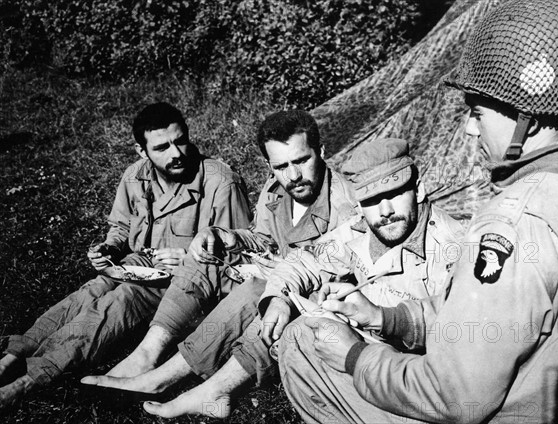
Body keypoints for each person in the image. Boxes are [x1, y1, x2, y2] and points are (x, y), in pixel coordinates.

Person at [277, 0, 558, 422]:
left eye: (478, 112)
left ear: (529, 122)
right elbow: (491, 324)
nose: (469, 128)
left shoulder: (511, 223)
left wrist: (355, 355)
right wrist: (386, 318)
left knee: (304, 338)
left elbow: (453, 397)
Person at [84, 137, 464, 420]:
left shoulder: (453, 248)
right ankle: (181, 380)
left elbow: (460, 337)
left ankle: (190, 384)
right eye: (370, 201)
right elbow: (302, 260)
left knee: (298, 322)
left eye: (395, 194)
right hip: (358, 348)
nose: (384, 212)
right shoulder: (361, 228)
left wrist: (381, 317)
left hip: (405, 373)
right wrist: (280, 297)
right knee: (277, 305)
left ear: (420, 189)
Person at [80, 109, 358, 416]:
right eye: (281, 166)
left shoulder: (343, 203)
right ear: (269, 165)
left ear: (321, 152)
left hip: (311, 303)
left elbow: (338, 281)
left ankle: (177, 383)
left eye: (301, 161)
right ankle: (147, 354)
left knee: (257, 288)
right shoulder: (276, 188)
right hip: (270, 276)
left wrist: (275, 273)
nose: (293, 176)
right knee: (204, 253)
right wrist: (227, 237)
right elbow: (262, 237)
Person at [0, 102, 252, 408]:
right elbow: (120, 225)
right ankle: (15, 354)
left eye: (181, 140)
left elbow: (239, 258)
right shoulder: (135, 176)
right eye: (162, 147)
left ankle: (32, 378)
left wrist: (188, 255)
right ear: (141, 151)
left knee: (115, 304)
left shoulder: (220, 181)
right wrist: (109, 248)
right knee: (90, 291)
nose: (177, 153)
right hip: (139, 264)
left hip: (183, 285)